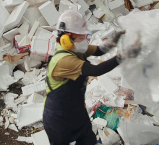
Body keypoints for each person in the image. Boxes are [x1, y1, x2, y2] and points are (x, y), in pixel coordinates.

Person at [43, 10, 141, 145]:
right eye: (81, 37)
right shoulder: (63, 60)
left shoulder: (75, 49)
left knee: (88, 140)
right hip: (58, 117)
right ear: (66, 39)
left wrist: (116, 39)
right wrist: (123, 56)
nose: (84, 40)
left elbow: (100, 50)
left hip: (76, 110)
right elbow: (96, 70)